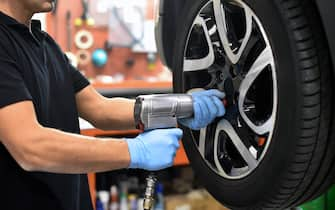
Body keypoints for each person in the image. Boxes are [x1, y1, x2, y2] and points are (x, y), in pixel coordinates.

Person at [0, 0, 226, 210]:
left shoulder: (45, 45)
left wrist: (180, 107)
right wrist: (135, 151)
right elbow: (29, 146)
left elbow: (100, 109)